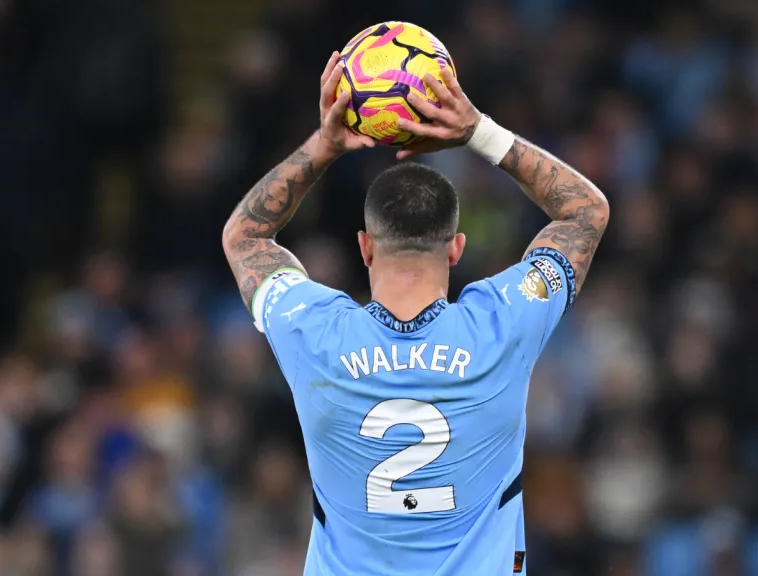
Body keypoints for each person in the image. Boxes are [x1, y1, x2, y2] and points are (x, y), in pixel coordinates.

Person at [221, 50, 609, 576]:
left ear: (364, 247)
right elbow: (586, 212)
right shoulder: (503, 324)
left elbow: (245, 236)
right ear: (456, 248)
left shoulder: (314, 330)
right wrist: (477, 131)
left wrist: (326, 144)